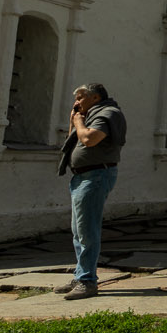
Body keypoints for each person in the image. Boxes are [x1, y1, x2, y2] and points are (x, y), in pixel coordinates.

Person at [57, 82, 126, 300]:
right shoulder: (92, 114)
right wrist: (74, 122)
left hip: (96, 176)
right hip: (82, 177)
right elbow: (75, 140)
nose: (76, 103)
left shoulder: (108, 113)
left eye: (80, 98)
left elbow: (89, 139)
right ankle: (81, 275)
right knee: (78, 231)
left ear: (95, 98)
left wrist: (78, 121)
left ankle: (87, 281)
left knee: (88, 231)